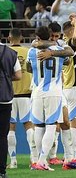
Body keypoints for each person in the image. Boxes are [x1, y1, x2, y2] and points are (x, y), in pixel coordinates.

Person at [27, 26, 67, 171]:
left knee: (39, 127)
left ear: (37, 37)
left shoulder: (32, 51)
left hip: (37, 92)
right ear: (50, 36)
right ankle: (43, 161)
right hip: (54, 92)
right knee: (51, 126)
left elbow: (28, 68)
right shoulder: (57, 50)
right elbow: (69, 57)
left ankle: (39, 160)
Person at [7, 28, 37, 168]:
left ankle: (13, 161)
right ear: (22, 38)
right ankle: (34, 158)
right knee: (29, 126)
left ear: (9, 38)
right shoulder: (29, 52)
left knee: (10, 128)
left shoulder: (5, 53)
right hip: (27, 94)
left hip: (9, 95)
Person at [0, 37, 21, 178]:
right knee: (2, 136)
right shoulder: (11, 53)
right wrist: (7, 78)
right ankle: (2, 171)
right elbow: (18, 75)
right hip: (5, 98)